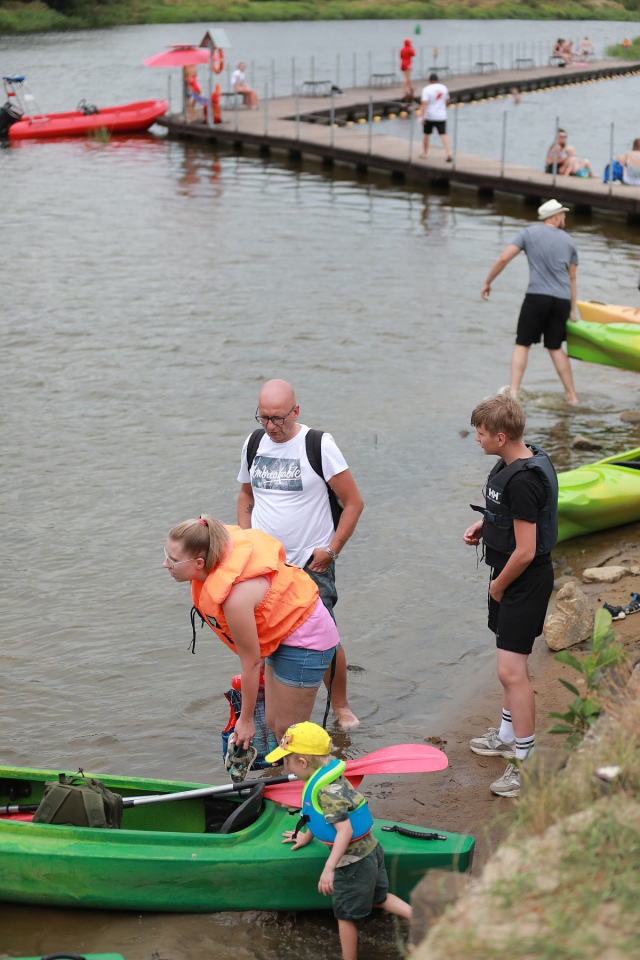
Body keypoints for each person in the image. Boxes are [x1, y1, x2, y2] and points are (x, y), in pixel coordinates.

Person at [237, 379, 364, 730]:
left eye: (279, 418)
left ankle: (340, 707)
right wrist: (247, 542)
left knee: (325, 638)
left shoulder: (317, 444)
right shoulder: (253, 443)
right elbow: (246, 497)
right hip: (265, 567)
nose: (272, 427)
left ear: (296, 411)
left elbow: (354, 502)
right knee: (270, 639)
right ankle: (275, 711)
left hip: (311, 564)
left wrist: (331, 550)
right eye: (264, 418)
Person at [163, 516, 340, 747]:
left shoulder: (235, 598)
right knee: (273, 722)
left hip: (306, 638)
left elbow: (252, 663)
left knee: (290, 731)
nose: (165, 564)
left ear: (198, 563)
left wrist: (245, 720)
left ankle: (319, 775)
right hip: (283, 631)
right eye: (166, 554)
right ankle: (289, 772)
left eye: (172, 560)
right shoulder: (211, 558)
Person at [463, 395, 558, 798]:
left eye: (481, 434)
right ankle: (505, 735)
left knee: (511, 671)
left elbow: (525, 549)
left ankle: (526, 762)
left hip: (522, 580)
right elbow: (516, 519)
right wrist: (485, 526)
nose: (477, 440)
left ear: (501, 437)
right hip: (508, 577)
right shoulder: (517, 458)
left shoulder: (523, 479)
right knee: (508, 661)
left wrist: (499, 586)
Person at [268, 721, 412, 959]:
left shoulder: (324, 792)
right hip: (371, 851)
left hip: (351, 863)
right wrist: (306, 836)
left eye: (286, 761)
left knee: (344, 917)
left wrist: (329, 868)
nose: (284, 767)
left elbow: (343, 831)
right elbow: (321, 818)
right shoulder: (329, 780)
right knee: (380, 898)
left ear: (302, 763)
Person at [481, 198, 580, 405]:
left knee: (522, 344)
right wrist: (572, 309)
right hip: (561, 300)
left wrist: (488, 281)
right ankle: (572, 396)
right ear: (554, 217)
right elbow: (572, 277)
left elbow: (503, 259)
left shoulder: (528, 233)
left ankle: (514, 394)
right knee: (555, 347)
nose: (564, 218)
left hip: (537, 296)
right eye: (562, 214)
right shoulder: (569, 241)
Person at [418, 72, 452, 161]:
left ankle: (425, 153)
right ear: (438, 80)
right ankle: (449, 153)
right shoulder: (443, 88)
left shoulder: (426, 89)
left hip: (429, 115)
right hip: (441, 115)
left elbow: (424, 104)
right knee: (443, 134)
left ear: (429, 80)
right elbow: (448, 101)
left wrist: (421, 116)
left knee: (426, 134)